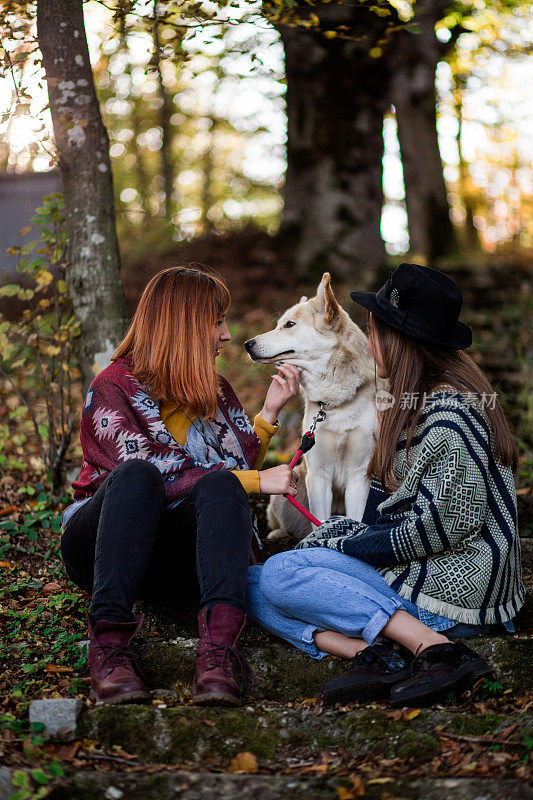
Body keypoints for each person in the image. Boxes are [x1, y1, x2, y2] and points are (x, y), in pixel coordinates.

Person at [247, 263, 525, 707]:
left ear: (401, 341)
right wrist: (341, 535)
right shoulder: (407, 401)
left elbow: (442, 526)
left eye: (374, 332)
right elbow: (389, 506)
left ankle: (436, 649)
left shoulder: (451, 414)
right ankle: (375, 654)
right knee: (247, 583)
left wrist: (341, 547)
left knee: (282, 574)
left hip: (456, 595)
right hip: (420, 573)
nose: (365, 340)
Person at [60, 266, 301, 707]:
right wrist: (254, 481)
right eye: (216, 322)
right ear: (184, 326)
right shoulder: (112, 387)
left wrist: (267, 415)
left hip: (181, 553)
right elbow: (157, 471)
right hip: (105, 544)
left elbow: (228, 480)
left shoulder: (212, 389)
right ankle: (110, 647)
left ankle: (218, 654)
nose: (226, 335)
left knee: (222, 488)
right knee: (137, 476)